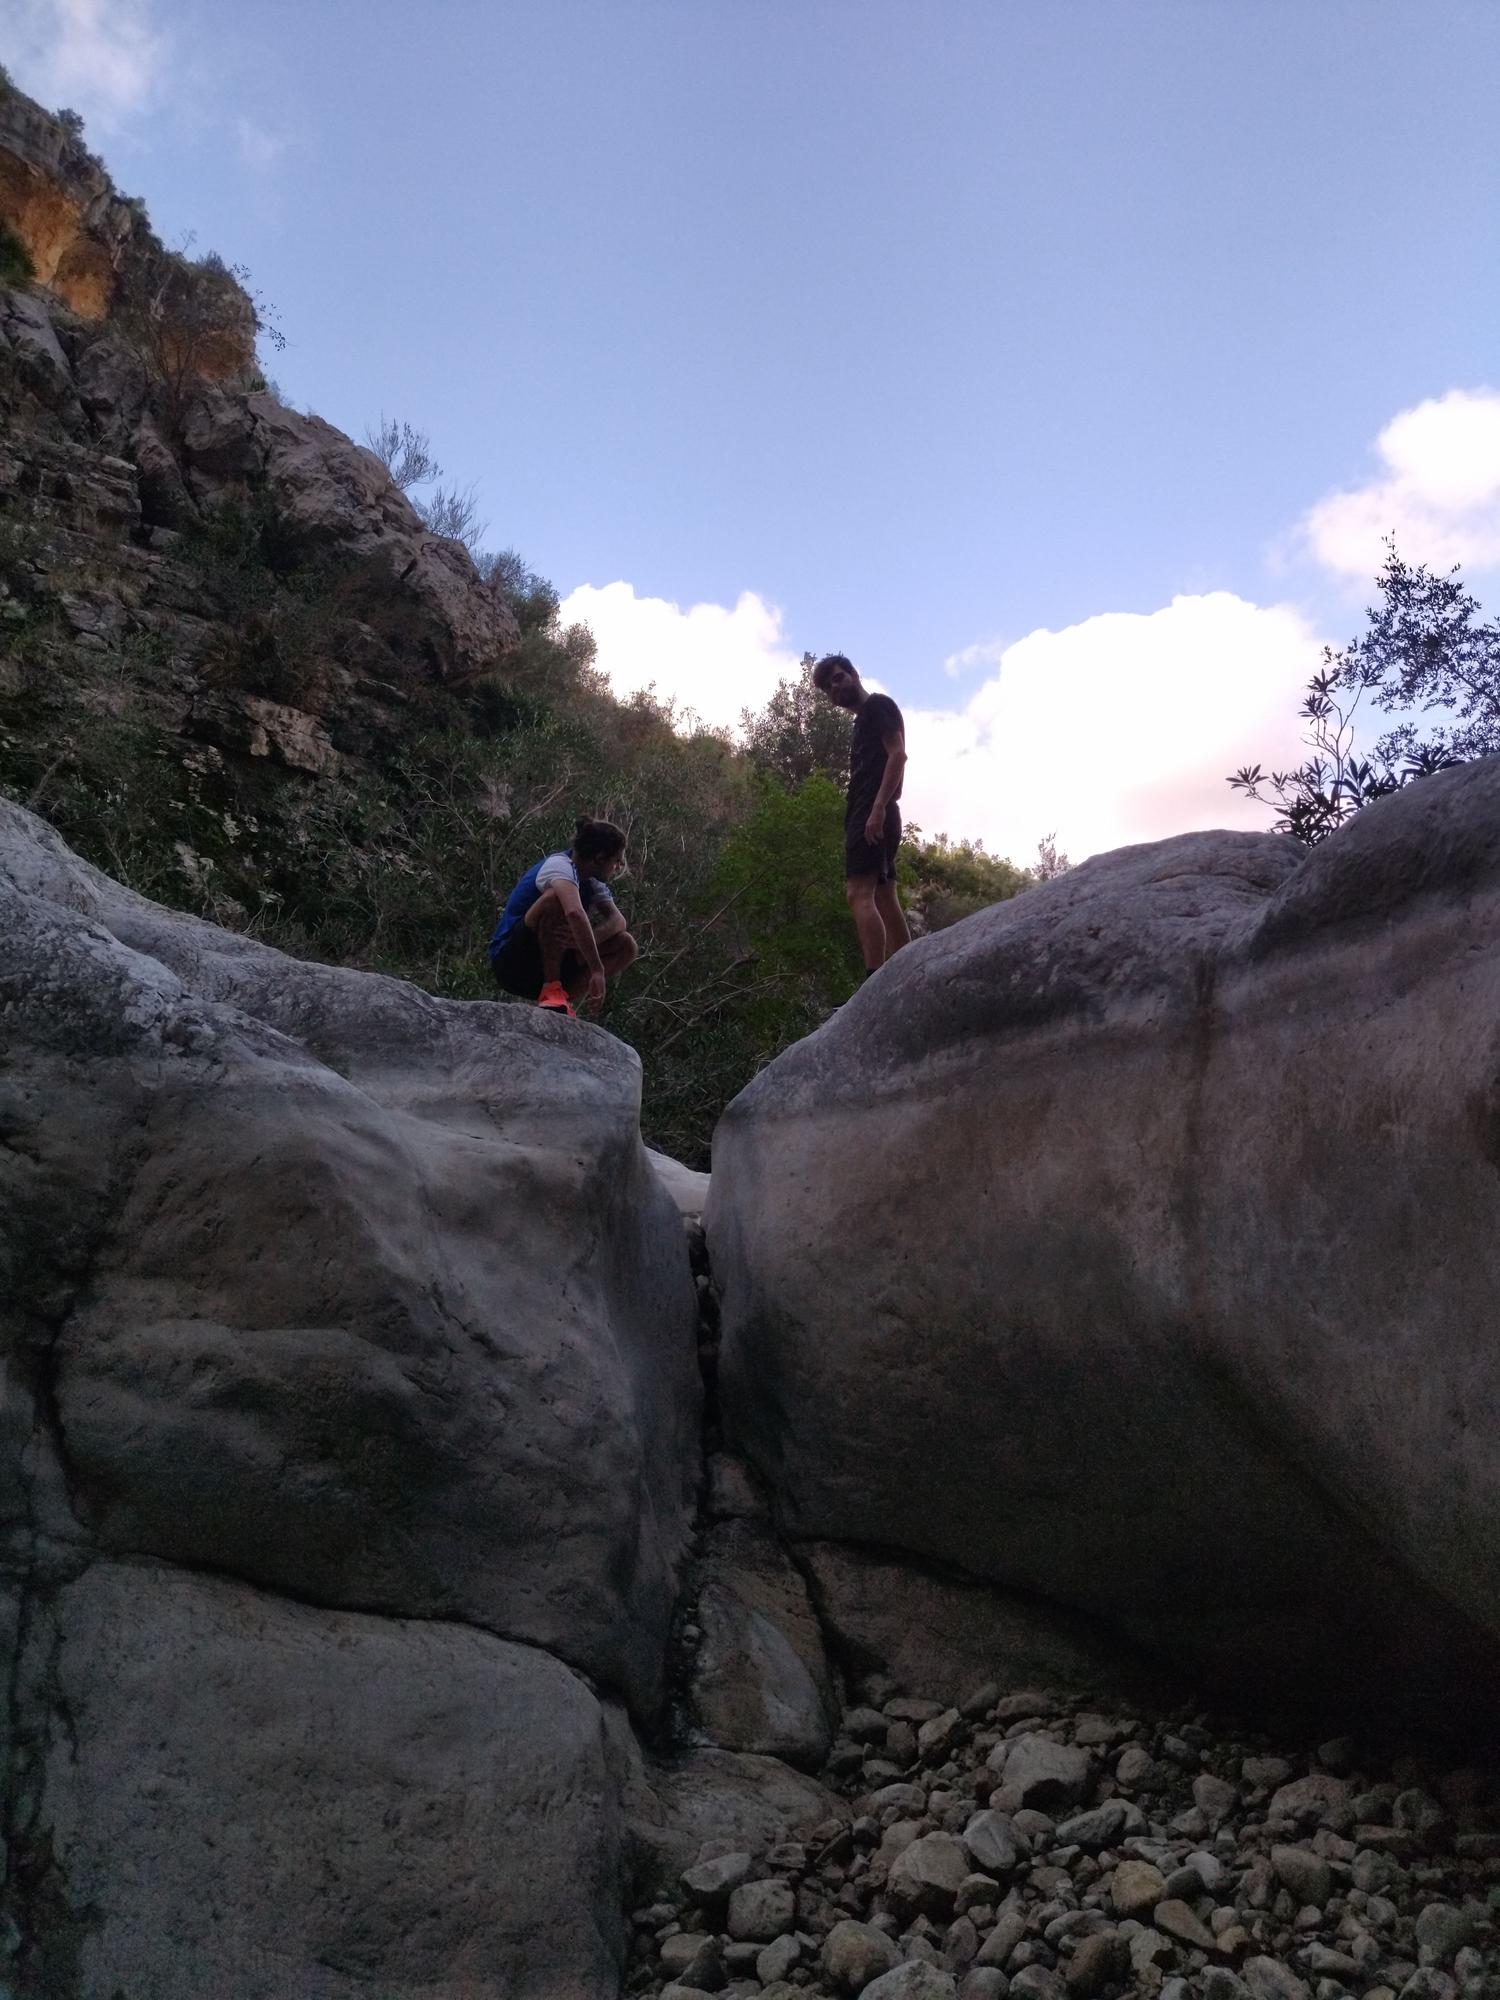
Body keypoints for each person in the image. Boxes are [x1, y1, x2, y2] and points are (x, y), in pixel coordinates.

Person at [811, 652, 912, 973]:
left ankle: (873, 981)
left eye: (838, 678)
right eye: (829, 687)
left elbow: (897, 755)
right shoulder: (862, 722)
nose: (835, 688)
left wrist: (878, 807)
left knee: (858, 893)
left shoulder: (877, 706)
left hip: (873, 814)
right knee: (884, 894)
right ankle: (910, 970)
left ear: (854, 674)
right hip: (872, 813)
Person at [489, 816, 638, 1017]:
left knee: (626, 945)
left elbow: (618, 921)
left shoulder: (592, 881)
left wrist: (587, 940)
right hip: (513, 962)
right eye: (617, 861)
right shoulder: (560, 866)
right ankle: (552, 991)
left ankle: (561, 1004)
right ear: (600, 858)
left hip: (547, 963)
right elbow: (574, 912)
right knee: (556, 899)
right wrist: (596, 969)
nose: (619, 867)